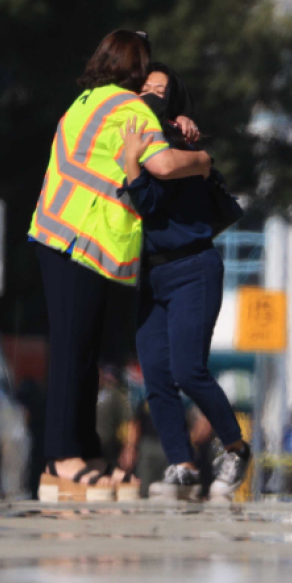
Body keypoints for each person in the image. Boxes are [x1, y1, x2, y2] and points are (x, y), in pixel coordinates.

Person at [29, 31, 213, 501]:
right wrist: (203, 160)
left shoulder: (89, 100)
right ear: (135, 67)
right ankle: (61, 458)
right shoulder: (128, 109)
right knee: (74, 352)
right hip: (79, 240)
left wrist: (174, 123)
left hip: (61, 234)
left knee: (84, 356)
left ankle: (83, 454)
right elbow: (166, 165)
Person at [118, 64, 252, 501]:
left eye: (161, 90)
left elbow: (154, 201)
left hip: (193, 266)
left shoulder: (178, 147)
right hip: (151, 274)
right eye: (145, 89)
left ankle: (234, 447)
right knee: (155, 374)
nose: (151, 96)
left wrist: (134, 169)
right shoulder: (127, 138)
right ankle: (182, 465)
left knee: (189, 371)